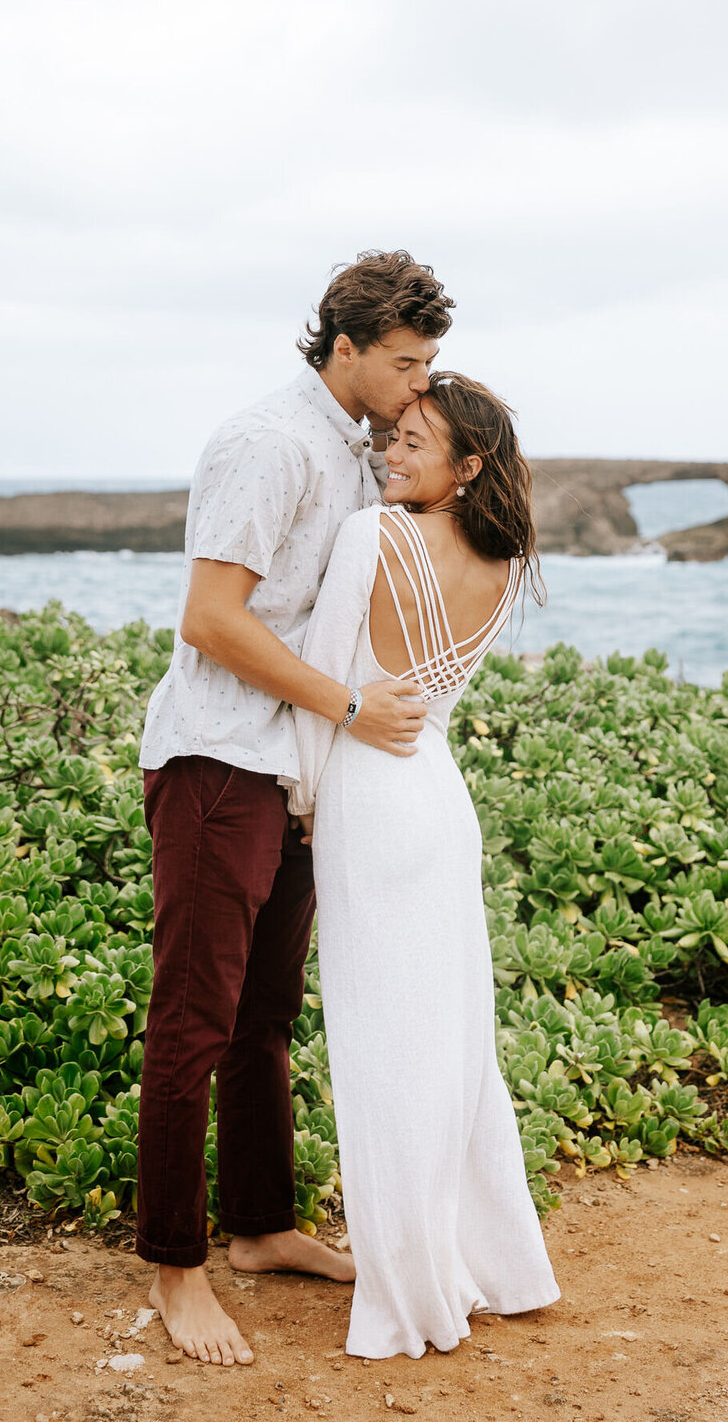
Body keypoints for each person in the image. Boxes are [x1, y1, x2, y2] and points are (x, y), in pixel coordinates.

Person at [137, 250, 455, 1367]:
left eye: (430, 368)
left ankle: (263, 1228)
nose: (421, 389)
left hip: (293, 774)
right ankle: (177, 1268)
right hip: (217, 761)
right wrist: (351, 707)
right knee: (197, 1017)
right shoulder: (270, 442)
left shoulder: (353, 450)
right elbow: (211, 619)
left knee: (265, 1015)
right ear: (348, 346)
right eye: (408, 366)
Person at [287, 372, 561, 1359]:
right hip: (440, 799)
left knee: (379, 1051)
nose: (390, 454)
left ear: (466, 465)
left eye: (413, 442)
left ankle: (410, 1295)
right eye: (392, 437)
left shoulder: (373, 536)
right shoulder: (505, 555)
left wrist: (306, 804)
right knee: (449, 1046)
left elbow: (324, 680)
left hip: (368, 797)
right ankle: (500, 1265)